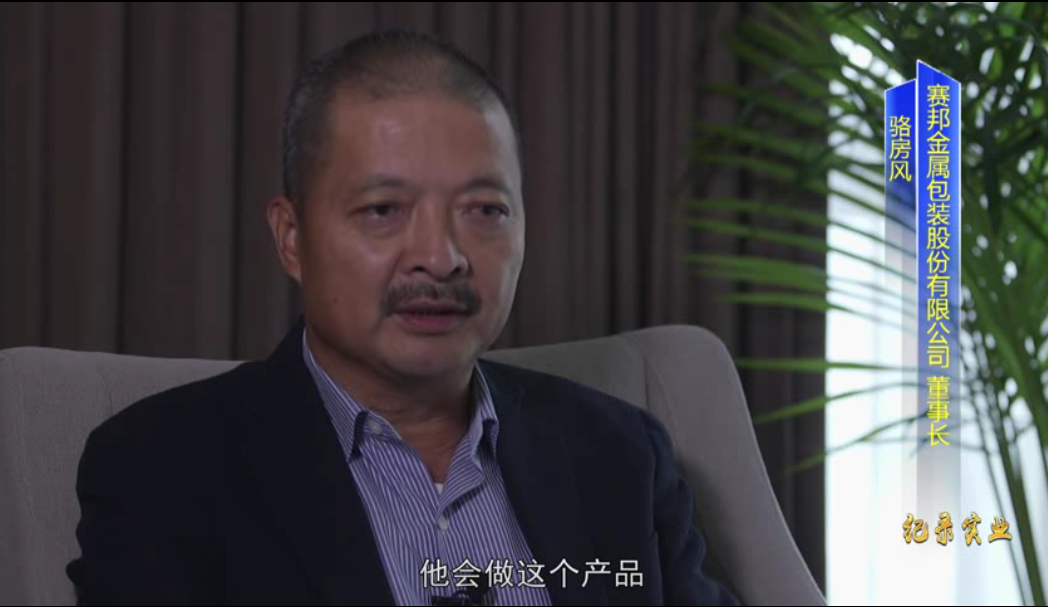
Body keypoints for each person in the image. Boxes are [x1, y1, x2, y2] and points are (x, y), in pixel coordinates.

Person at [66, 29, 741, 606]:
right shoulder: (163, 467)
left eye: (485, 210)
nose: (440, 257)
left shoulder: (618, 455)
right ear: (292, 238)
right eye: (384, 210)